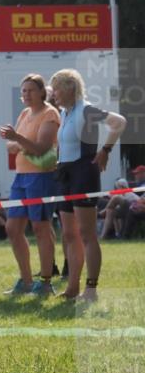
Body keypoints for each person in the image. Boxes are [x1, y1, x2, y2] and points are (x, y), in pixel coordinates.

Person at [50, 68, 127, 300]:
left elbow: (119, 122)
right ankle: (72, 288)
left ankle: (91, 289)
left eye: (56, 89)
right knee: (69, 234)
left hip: (84, 172)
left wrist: (106, 150)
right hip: (65, 174)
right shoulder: (64, 112)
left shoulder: (86, 109)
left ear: (70, 88)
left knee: (86, 233)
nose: (53, 94)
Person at [0, 74, 61, 297]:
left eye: (31, 90)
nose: (26, 95)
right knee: (12, 228)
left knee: (40, 228)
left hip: (41, 177)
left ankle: (45, 281)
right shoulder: (25, 113)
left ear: (42, 92)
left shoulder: (50, 114)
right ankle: (25, 281)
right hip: (21, 176)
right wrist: (18, 141)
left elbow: (41, 149)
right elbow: (10, 146)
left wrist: (18, 140)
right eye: (23, 91)